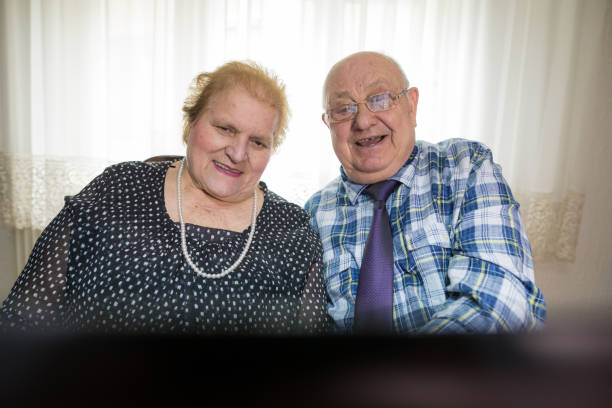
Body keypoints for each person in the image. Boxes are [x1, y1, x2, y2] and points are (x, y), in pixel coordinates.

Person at [1, 61, 329, 335]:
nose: (238, 153)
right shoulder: (117, 190)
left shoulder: (292, 230)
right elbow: (22, 320)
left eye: (257, 141)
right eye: (225, 128)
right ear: (191, 124)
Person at [304, 51, 546, 334]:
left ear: (411, 104)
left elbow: (498, 298)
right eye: (344, 108)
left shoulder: (466, 167)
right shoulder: (314, 213)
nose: (363, 121)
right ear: (328, 123)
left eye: (379, 99)